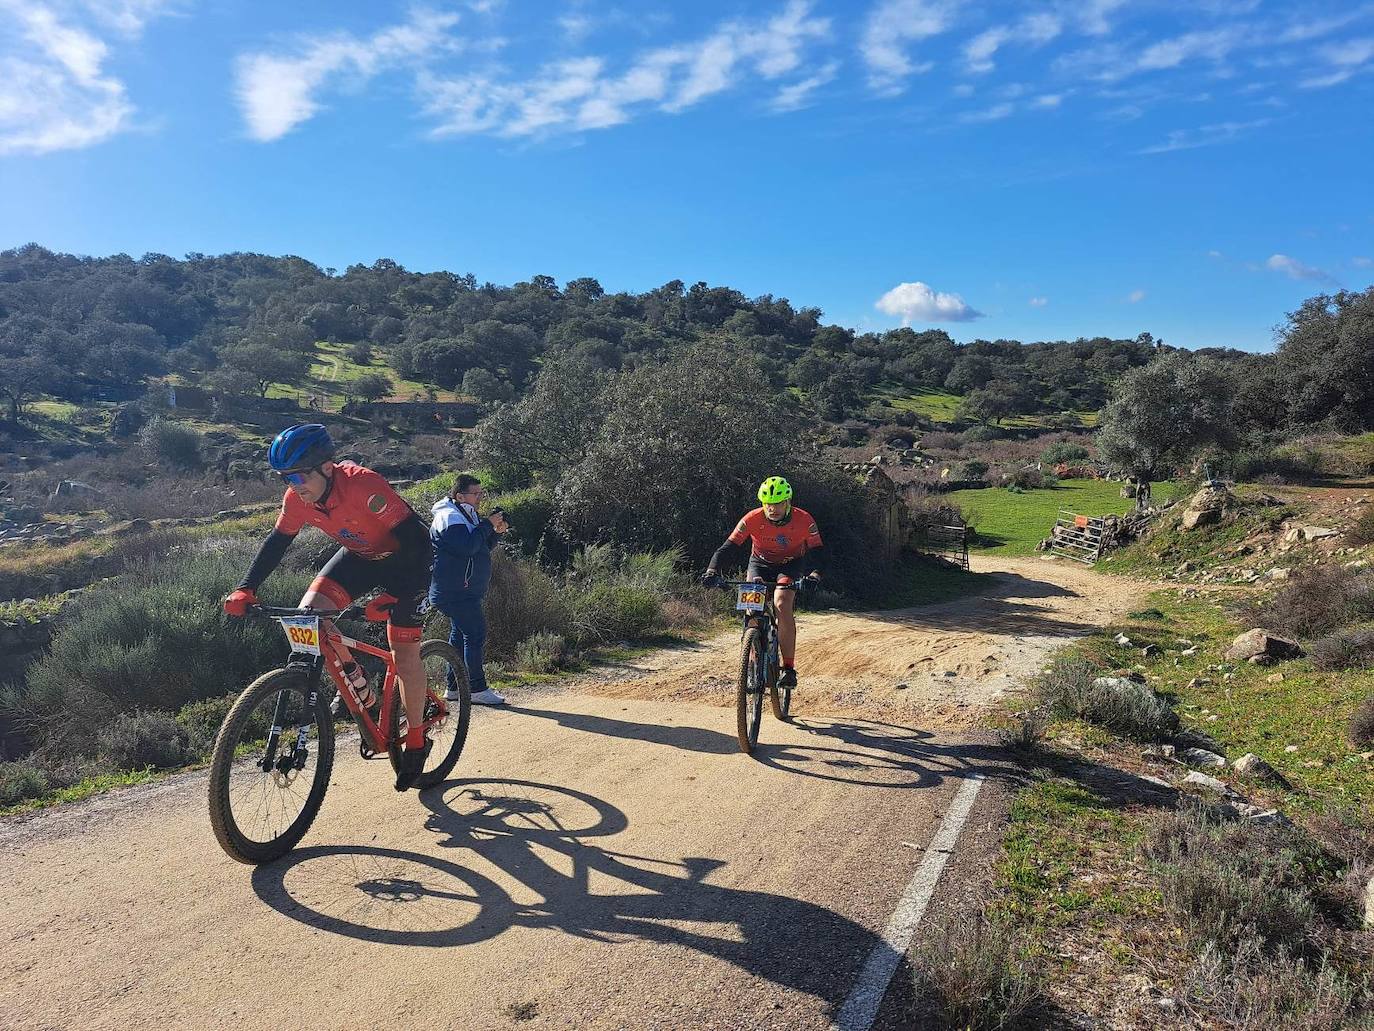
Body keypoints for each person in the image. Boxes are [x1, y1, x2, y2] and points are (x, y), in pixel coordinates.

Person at [221, 424, 435, 792]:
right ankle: (358, 687)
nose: (294, 484)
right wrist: (246, 588)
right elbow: (277, 542)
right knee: (308, 618)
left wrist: (397, 595)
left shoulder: (363, 486)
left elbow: (417, 541)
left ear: (326, 467)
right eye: (285, 477)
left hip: (411, 562)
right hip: (361, 558)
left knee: (403, 654)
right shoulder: (296, 499)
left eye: (300, 475)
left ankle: (416, 739)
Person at [702, 476, 824, 689]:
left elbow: (820, 552)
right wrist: (712, 571)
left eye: (777, 503)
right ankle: (751, 661)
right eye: (767, 504)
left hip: (790, 565)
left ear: (788, 503)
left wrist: (814, 575)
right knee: (751, 608)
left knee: (781, 603)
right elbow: (728, 547)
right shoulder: (752, 518)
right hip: (759, 563)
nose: (772, 509)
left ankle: (788, 668)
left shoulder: (804, 520)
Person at [428, 474, 509, 705]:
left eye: (481, 493)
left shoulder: (465, 515)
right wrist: (487, 524)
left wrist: (496, 532)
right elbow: (467, 546)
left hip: (462, 590)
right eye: (476, 494)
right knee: (475, 634)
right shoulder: (448, 516)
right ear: (460, 496)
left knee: (459, 636)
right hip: (455, 592)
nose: (480, 498)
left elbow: (481, 546)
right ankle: (476, 689)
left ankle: (454, 688)